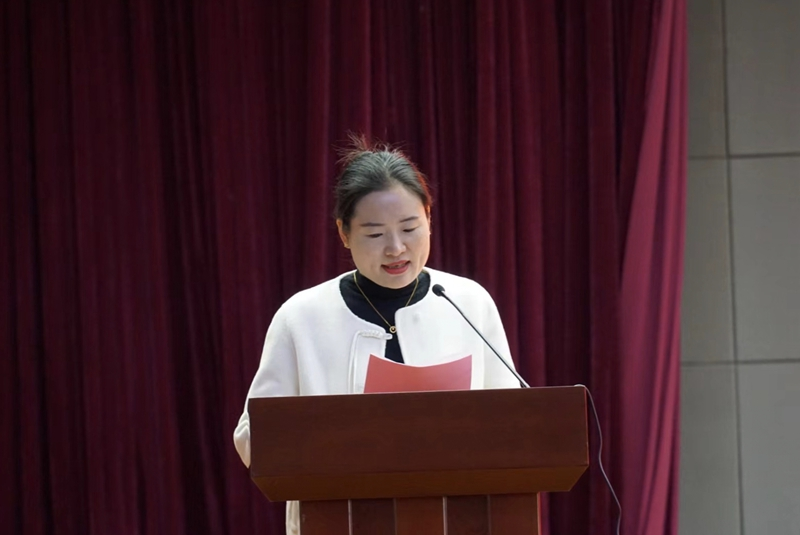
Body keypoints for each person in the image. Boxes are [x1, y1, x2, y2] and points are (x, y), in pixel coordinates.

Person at [233, 138, 521, 534]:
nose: (396, 248)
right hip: (339, 521)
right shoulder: (301, 318)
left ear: (429, 218)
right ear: (344, 233)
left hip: (456, 519)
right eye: (374, 234)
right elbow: (253, 438)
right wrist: (333, 441)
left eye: (409, 228)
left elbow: (512, 425)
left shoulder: (468, 302)